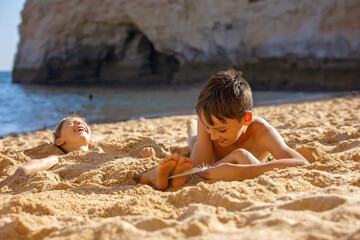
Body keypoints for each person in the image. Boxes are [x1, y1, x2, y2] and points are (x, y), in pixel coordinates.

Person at [187, 69, 309, 183]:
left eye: (222, 130)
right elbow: (197, 171)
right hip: (206, 148)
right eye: (208, 128)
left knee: (199, 141)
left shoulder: (261, 131)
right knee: (194, 143)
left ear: (246, 119)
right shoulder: (208, 120)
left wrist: (240, 170)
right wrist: (235, 156)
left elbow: (302, 163)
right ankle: (191, 130)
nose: (213, 137)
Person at [0, 114, 155, 188]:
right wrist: (21, 170)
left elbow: (124, 158)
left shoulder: (101, 151)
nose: (79, 122)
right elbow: (40, 163)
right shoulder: (61, 158)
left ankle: (156, 175)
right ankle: (155, 178)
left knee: (133, 170)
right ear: (60, 141)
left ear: (91, 140)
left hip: (116, 171)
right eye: (72, 123)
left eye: (82, 122)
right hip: (100, 180)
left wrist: (142, 155)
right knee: (132, 177)